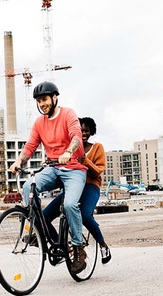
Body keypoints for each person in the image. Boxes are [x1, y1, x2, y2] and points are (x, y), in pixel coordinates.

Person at [9, 81, 89, 274]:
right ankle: (38, 230)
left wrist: (69, 152)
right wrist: (19, 161)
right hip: (52, 168)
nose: (42, 103)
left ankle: (78, 248)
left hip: (74, 169)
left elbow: (76, 137)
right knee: (29, 186)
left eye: (44, 99)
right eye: (38, 101)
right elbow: (30, 146)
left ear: (54, 97)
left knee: (70, 205)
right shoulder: (39, 123)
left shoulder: (68, 114)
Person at [41, 117, 112, 265]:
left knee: (85, 215)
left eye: (86, 130)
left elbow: (98, 171)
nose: (83, 133)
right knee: (44, 217)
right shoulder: (69, 148)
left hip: (90, 187)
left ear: (91, 131)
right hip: (72, 188)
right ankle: (61, 246)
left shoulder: (97, 147)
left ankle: (103, 244)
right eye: (80, 130)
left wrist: (86, 161)